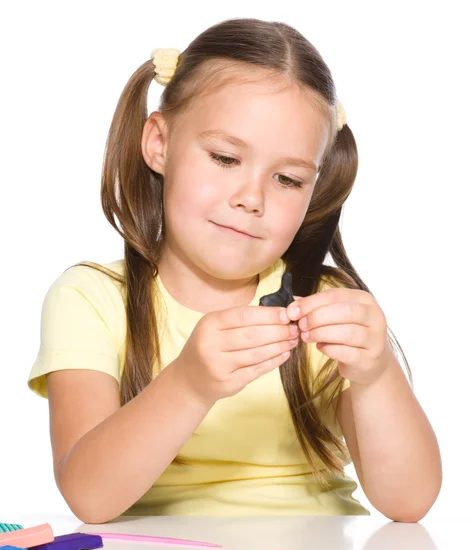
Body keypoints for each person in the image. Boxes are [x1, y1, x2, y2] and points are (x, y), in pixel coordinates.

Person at [27, 18, 442, 524]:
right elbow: (88, 497)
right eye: (225, 158)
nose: (251, 198)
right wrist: (189, 383)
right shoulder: (92, 298)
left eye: (288, 178)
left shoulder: (323, 303)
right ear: (158, 143)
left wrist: (376, 376)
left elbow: (409, 502)